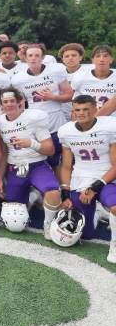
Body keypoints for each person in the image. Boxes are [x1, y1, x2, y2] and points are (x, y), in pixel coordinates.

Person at [0, 87, 61, 239]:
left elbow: (50, 150)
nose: (9, 104)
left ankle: (48, 225)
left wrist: (32, 143)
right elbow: (4, 152)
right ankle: (34, 196)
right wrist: (0, 178)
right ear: (1, 105)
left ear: (20, 102)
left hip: (36, 165)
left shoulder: (34, 118)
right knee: (14, 219)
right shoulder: (0, 122)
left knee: (53, 192)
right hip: (16, 168)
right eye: (5, 102)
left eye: (12, 101)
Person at [58, 94, 116, 262]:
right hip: (81, 179)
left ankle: (114, 246)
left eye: (86, 109)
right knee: (86, 235)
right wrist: (65, 193)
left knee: (115, 206)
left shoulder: (109, 127)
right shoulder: (66, 131)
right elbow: (67, 166)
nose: (81, 113)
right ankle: (98, 213)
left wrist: (95, 188)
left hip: (107, 178)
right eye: (77, 110)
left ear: (95, 110)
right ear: (73, 112)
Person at [12, 44, 74, 168]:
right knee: (42, 159)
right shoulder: (18, 79)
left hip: (56, 121)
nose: (33, 58)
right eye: (30, 55)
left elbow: (70, 95)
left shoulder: (56, 70)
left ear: (43, 57)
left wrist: (53, 97)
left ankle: (63, 185)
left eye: (37, 55)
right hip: (35, 124)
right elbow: (20, 105)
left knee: (61, 159)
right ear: (25, 57)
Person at [71, 45, 116, 113]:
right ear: (92, 60)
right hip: (87, 119)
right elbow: (74, 104)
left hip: (112, 120)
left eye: (105, 56)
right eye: (98, 56)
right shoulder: (81, 77)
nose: (101, 59)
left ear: (111, 59)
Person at [58, 43, 87, 120]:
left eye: (74, 55)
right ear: (62, 59)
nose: (70, 58)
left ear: (80, 57)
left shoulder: (89, 72)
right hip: (63, 114)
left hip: (83, 113)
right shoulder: (58, 73)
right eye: (66, 56)